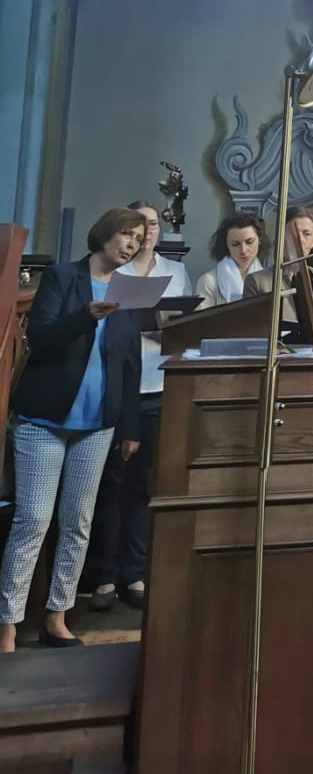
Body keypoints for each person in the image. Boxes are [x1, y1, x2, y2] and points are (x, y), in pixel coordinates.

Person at [0, 209, 145, 651]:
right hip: (44, 421)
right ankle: (7, 624)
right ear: (105, 233)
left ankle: (57, 617)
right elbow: (41, 337)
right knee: (32, 520)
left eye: (139, 239)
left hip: (97, 426)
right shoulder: (63, 277)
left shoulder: (129, 292)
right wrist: (86, 315)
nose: (132, 244)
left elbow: (130, 366)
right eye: (126, 234)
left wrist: (129, 427)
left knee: (78, 523)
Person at [88, 200, 192, 612]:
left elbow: (188, 325)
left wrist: (171, 323)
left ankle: (134, 573)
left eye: (152, 224)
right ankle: (103, 576)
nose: (147, 231)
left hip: (160, 381)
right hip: (117, 386)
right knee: (110, 484)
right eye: (138, 225)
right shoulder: (117, 269)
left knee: (144, 485)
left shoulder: (175, 271)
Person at [242, 206, 313, 350]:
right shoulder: (257, 282)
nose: (299, 239)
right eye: (292, 233)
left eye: (306, 234)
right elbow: (254, 339)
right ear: (280, 236)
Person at [196, 211, 269, 308]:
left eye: (249, 242)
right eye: (235, 244)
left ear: (260, 240)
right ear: (226, 245)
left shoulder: (268, 280)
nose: (243, 250)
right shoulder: (209, 281)